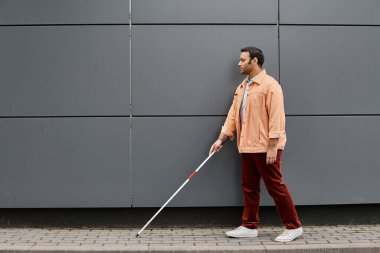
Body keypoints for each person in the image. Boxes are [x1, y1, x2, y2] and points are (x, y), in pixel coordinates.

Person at [209, 47, 302, 242]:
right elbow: (233, 115)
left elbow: (277, 117)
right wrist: (221, 138)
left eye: (243, 60)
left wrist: (272, 146)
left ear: (255, 61)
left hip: (266, 147)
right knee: (249, 187)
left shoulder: (270, 85)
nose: (239, 63)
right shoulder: (243, 87)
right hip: (247, 145)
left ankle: (293, 226)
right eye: (239, 60)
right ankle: (249, 226)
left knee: (275, 186)